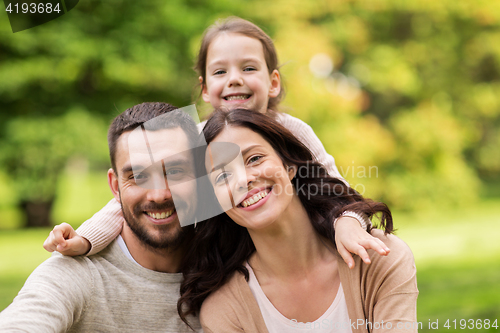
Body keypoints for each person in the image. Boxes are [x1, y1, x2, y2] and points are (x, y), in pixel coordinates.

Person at [44, 16, 389, 267]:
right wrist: (87, 238)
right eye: (221, 72)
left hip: (298, 255)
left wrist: (349, 222)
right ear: (206, 89)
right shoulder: (191, 137)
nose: (235, 79)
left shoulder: (292, 130)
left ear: (273, 82)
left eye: (249, 68)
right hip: (229, 261)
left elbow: (335, 189)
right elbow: (132, 193)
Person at [178, 108, 418, 333]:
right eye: (223, 175)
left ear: (290, 166)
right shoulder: (225, 311)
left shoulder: (379, 259)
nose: (243, 179)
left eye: (254, 159)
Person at [0, 102, 202, 332]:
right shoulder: (77, 274)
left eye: (175, 171)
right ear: (115, 187)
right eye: (138, 175)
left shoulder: (230, 261)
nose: (158, 195)